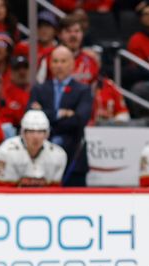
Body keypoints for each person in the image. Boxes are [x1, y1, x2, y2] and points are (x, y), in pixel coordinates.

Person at [28, 46, 93, 187]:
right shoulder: (39, 89)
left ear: (72, 64)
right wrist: (60, 113)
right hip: (41, 161)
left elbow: (79, 120)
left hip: (74, 158)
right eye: (55, 61)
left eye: (63, 61)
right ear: (50, 64)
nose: (59, 65)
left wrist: (45, 114)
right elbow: (30, 117)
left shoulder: (83, 91)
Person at [0, 110, 67, 187]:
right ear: (23, 133)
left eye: (40, 132)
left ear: (47, 134)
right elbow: (1, 188)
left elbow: (54, 191)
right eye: (31, 131)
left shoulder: (58, 154)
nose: (35, 137)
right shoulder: (6, 151)